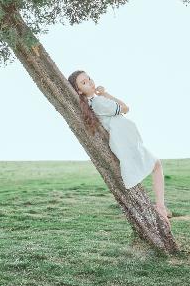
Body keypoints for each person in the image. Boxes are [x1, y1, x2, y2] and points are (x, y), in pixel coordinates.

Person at [68, 70, 172, 227]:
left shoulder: (96, 101)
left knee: (155, 166)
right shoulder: (98, 102)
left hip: (126, 141)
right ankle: (161, 208)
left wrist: (101, 94)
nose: (89, 82)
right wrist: (106, 94)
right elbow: (125, 107)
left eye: (88, 78)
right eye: (83, 82)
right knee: (156, 166)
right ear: (78, 90)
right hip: (125, 143)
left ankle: (160, 208)